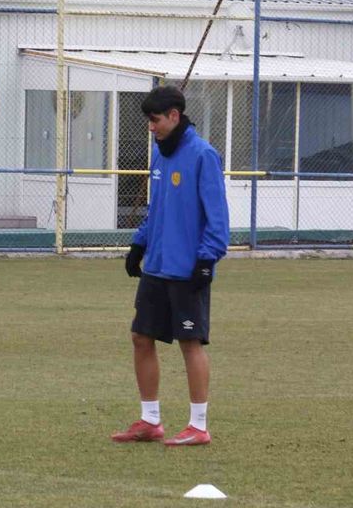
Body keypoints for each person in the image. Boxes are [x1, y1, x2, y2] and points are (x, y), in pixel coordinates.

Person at [112, 86, 230, 447]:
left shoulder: (202, 155)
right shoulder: (160, 156)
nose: (151, 128)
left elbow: (218, 218)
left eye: (156, 120)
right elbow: (156, 209)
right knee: (140, 338)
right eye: (149, 121)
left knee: (189, 343)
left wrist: (207, 260)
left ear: (175, 116)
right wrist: (139, 243)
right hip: (157, 268)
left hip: (187, 269)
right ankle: (150, 420)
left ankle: (198, 426)